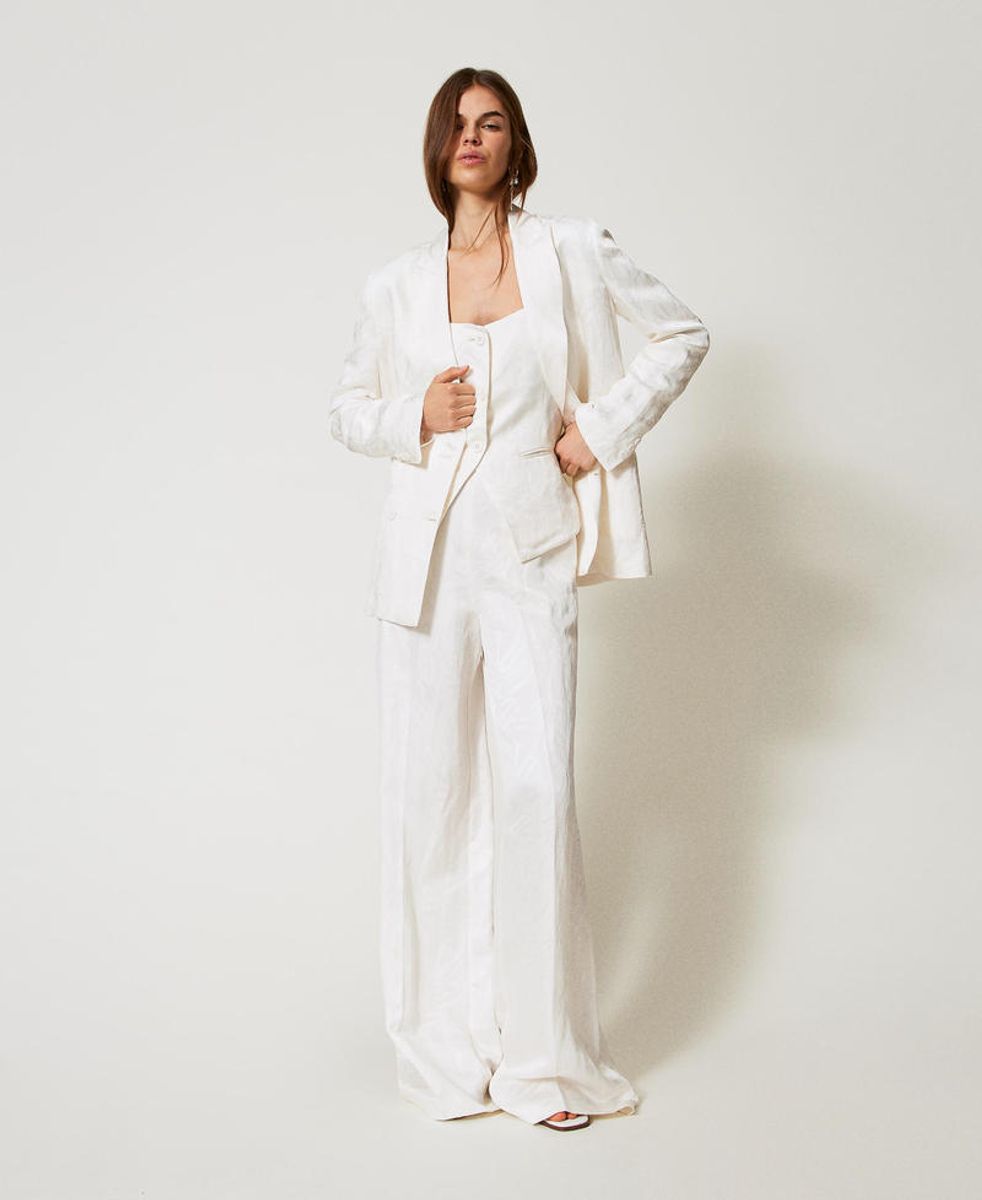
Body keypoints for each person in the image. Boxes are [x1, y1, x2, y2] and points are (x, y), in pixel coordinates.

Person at [329, 68, 710, 1132]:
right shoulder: (396, 285)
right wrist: (413, 413)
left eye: (490, 122)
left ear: (515, 144)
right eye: (457, 123)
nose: (472, 136)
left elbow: (681, 334)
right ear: (435, 145)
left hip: (530, 549)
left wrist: (600, 431)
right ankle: (446, 1058)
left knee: (537, 794)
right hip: (424, 568)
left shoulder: (569, 251)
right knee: (431, 801)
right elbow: (345, 408)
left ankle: (544, 1065)